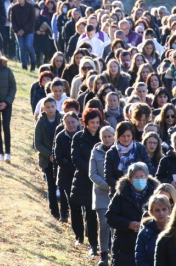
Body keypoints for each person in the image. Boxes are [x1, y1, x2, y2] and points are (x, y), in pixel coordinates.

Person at [106, 162, 159, 266]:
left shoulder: (156, 194)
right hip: (124, 246)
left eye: (142, 176)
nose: (140, 179)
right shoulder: (121, 194)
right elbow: (110, 216)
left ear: (147, 177)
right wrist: (128, 224)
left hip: (148, 244)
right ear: (130, 179)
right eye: (136, 177)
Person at [70, 108, 102, 257]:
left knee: (95, 213)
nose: (95, 125)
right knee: (85, 211)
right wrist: (91, 170)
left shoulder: (102, 137)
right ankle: (89, 241)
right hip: (83, 179)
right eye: (92, 122)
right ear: (86, 123)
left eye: (97, 122)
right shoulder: (79, 137)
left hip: (100, 180)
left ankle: (97, 243)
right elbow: (76, 158)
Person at [104, 122, 152, 196]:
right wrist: (124, 186)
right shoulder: (111, 153)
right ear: (118, 136)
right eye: (123, 136)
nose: (126, 139)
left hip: (141, 190)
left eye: (128, 136)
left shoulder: (140, 149)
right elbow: (108, 177)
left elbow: (149, 169)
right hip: (119, 193)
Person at [35, 97, 63, 219]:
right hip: (48, 160)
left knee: (63, 186)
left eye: (53, 106)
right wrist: (49, 155)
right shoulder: (41, 122)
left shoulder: (62, 119)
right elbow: (38, 143)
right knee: (51, 186)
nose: (51, 109)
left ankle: (65, 212)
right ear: (44, 108)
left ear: (56, 106)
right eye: (48, 107)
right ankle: (54, 212)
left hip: (61, 158)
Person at [89, 126, 114, 266]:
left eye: (109, 136)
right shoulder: (96, 151)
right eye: (104, 136)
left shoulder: (119, 151)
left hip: (117, 193)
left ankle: (115, 252)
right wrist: (107, 185)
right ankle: (103, 255)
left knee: (116, 226)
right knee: (104, 224)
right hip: (101, 194)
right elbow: (92, 174)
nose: (107, 139)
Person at [54, 111, 80, 225]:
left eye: (73, 122)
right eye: (68, 123)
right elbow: (58, 157)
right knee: (72, 203)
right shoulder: (60, 137)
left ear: (78, 122)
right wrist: (72, 167)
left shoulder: (83, 135)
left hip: (82, 174)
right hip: (66, 175)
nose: (71, 125)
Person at [135, 194, 172, 266]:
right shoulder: (145, 233)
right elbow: (140, 259)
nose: (161, 213)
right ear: (151, 212)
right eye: (157, 210)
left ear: (169, 210)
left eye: (164, 209)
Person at [10, 0, 36, 71]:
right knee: (22, 47)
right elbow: (12, 20)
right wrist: (17, 30)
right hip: (18, 32)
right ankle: (24, 64)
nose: (19, 0)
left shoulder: (30, 7)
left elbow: (32, 20)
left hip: (28, 31)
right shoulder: (14, 8)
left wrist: (24, 29)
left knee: (29, 45)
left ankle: (33, 62)